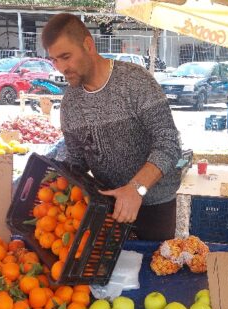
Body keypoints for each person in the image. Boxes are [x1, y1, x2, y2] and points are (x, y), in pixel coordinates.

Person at [41, 13, 182, 241]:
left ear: (88, 45)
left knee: (152, 270)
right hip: (108, 205)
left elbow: (168, 143)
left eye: (66, 56)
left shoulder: (135, 81)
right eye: (55, 60)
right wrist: (53, 177)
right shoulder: (70, 104)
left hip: (155, 203)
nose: (61, 68)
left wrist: (136, 189)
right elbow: (77, 160)